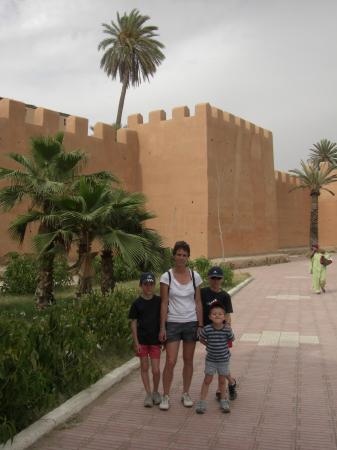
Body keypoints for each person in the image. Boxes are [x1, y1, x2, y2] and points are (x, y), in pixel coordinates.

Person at [159, 241, 203, 411]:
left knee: (188, 360)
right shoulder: (166, 276)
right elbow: (164, 303)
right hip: (173, 323)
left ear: (188, 257)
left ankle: (185, 393)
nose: (181, 257)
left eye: (185, 255)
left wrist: (200, 324)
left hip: (191, 323)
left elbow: (198, 301)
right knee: (170, 361)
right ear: (174, 255)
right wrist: (162, 327)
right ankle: (166, 395)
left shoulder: (195, 276)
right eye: (179, 254)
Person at [201, 266, 237, 401]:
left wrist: (227, 332)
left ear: (222, 279)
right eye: (213, 278)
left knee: (221, 361)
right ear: (208, 278)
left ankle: (225, 387)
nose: (215, 280)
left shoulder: (225, 296)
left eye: (218, 278)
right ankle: (231, 382)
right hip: (208, 332)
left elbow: (227, 315)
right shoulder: (203, 292)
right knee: (215, 360)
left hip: (221, 333)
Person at [128, 272, 162, 407]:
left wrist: (163, 336)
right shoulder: (136, 304)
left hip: (155, 341)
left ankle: (155, 392)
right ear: (141, 285)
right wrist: (136, 342)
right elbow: (133, 323)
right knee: (144, 367)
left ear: (154, 285)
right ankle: (148, 394)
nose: (149, 287)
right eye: (146, 284)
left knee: (156, 370)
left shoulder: (159, 301)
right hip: (142, 341)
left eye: (151, 284)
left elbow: (163, 319)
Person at [195, 302, 235, 414]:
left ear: (224, 316)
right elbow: (201, 338)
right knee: (207, 380)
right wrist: (208, 345)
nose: (217, 316)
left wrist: (223, 345)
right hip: (211, 360)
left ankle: (223, 400)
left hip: (223, 360)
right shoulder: (207, 329)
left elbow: (231, 339)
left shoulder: (227, 329)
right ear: (209, 317)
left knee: (222, 381)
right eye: (214, 314)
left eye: (220, 314)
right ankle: (202, 402)